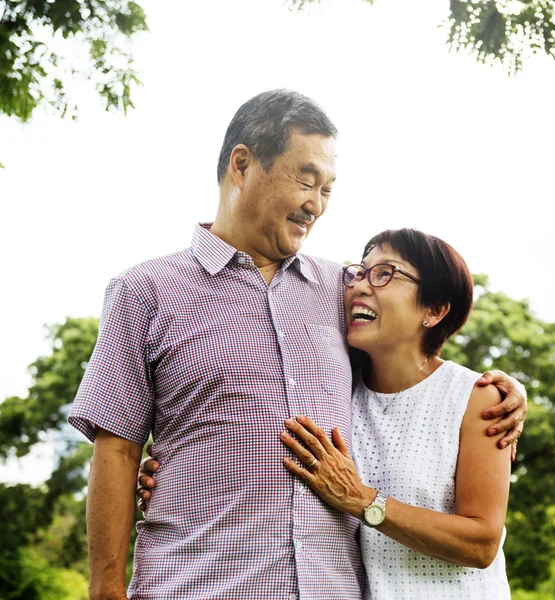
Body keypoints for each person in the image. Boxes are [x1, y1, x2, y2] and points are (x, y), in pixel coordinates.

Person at [69, 89, 526, 600]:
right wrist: (106, 590)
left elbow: (410, 363)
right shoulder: (144, 291)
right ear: (241, 165)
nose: (316, 204)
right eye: (306, 180)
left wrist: (503, 389)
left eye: (328, 189)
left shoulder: (344, 291)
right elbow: (117, 450)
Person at [279, 228, 512, 598]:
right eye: (360, 272)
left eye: (385, 274)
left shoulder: (478, 398)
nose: (359, 286)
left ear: (434, 311)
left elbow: (481, 543)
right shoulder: (338, 392)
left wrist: (363, 500)